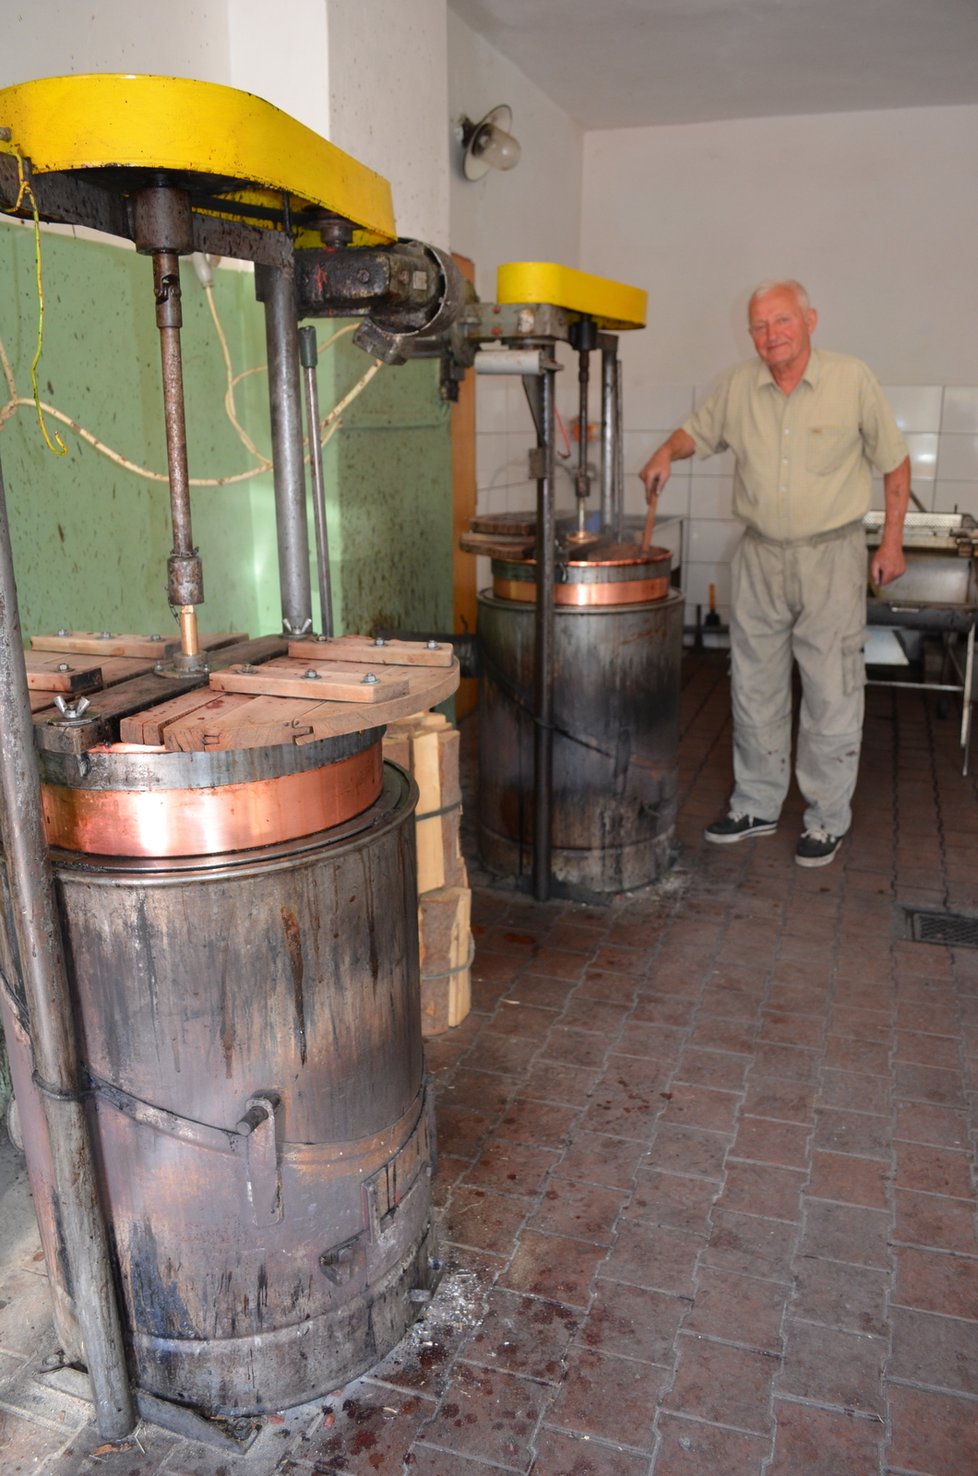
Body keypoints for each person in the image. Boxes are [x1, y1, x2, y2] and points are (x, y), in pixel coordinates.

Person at [640, 279, 910, 867]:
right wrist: (666, 451)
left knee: (830, 688)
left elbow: (894, 462)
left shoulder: (851, 379)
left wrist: (891, 540)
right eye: (759, 326)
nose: (771, 335)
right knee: (754, 682)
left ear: (811, 319)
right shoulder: (739, 385)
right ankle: (757, 803)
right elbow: (699, 431)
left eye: (782, 321)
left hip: (831, 555)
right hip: (760, 554)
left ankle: (826, 816)